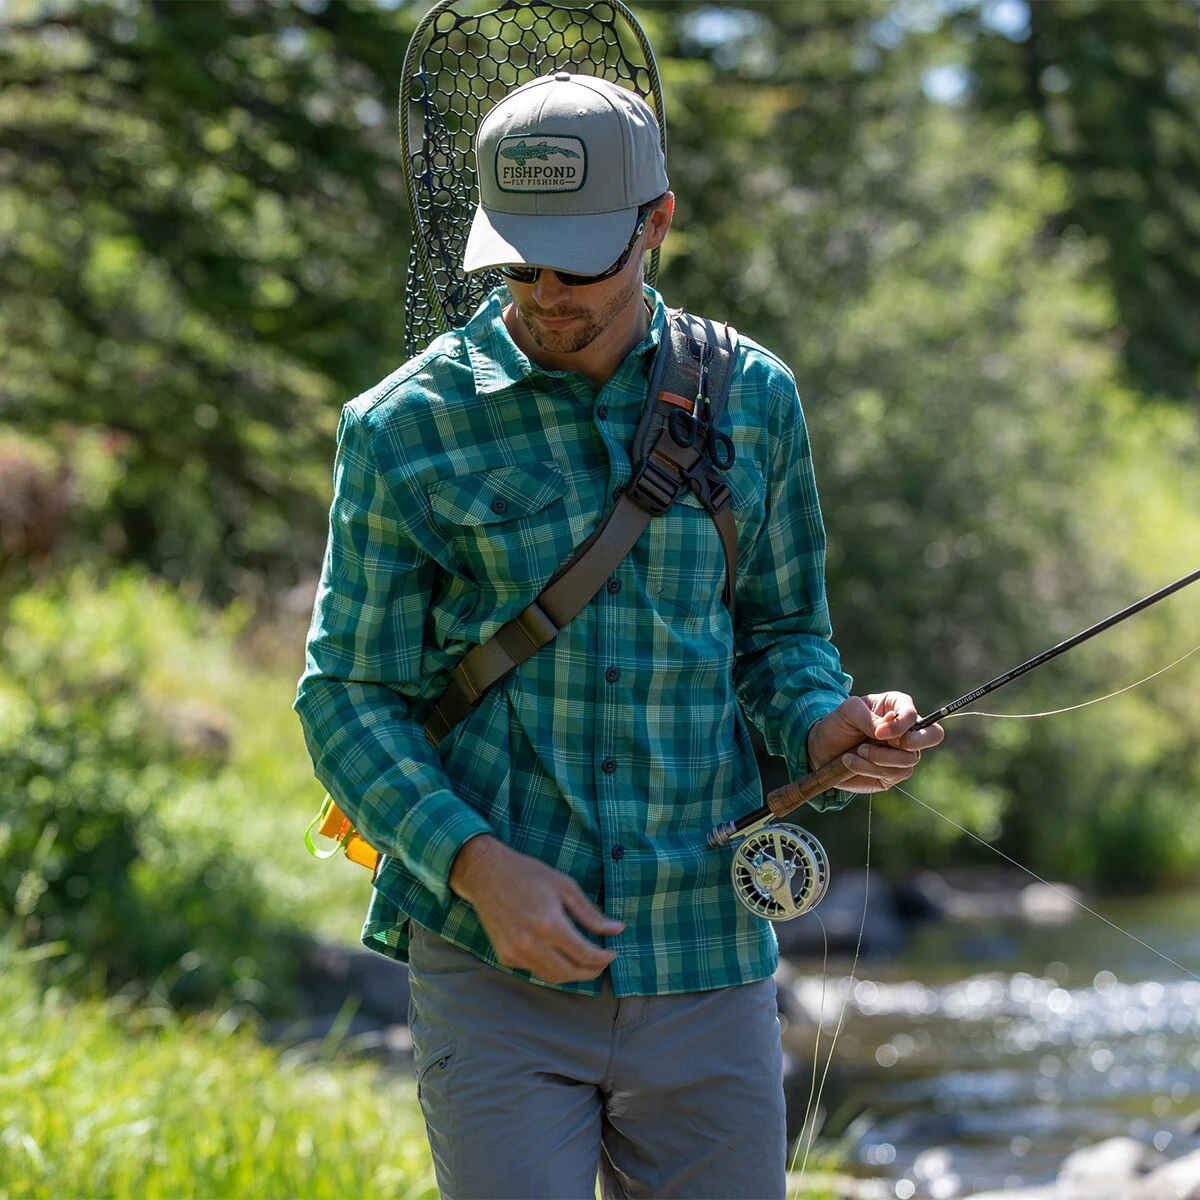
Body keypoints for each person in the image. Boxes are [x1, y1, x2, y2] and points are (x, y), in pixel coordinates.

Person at [295, 71, 944, 1200]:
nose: (546, 293)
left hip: (707, 958)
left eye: (581, 263)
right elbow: (346, 694)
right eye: (517, 261)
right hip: (489, 967)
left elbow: (781, 636)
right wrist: (477, 867)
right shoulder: (403, 429)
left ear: (658, 223)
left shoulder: (756, 400)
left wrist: (824, 723)